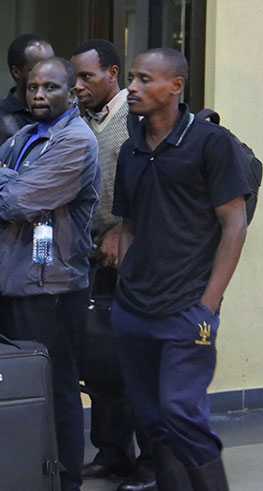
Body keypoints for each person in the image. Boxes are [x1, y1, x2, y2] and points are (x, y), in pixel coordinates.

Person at [111, 48, 248, 491]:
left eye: (144, 79)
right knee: (151, 419)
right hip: (133, 308)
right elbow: (129, 225)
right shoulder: (131, 148)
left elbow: (234, 225)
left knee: (181, 411)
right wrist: (124, 285)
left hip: (187, 310)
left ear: (176, 86)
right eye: (131, 78)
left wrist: (208, 306)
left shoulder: (211, 143)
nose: (132, 87)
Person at [0, 57, 100, 491]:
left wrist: (0, 183)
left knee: (57, 386)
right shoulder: (27, 134)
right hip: (8, 282)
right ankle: (28, 474)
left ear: (72, 92)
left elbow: (15, 204)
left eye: (51, 87)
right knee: (20, 387)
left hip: (51, 287)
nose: (39, 95)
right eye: (33, 87)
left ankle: (67, 480)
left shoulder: (75, 141)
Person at [71, 39, 156, 491]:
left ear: (113, 74)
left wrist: (124, 229)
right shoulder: (81, 121)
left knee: (140, 363)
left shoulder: (141, 121)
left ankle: (151, 464)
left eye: (87, 77)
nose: (77, 86)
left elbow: (154, 185)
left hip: (136, 259)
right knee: (101, 360)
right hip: (92, 259)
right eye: (76, 77)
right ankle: (111, 452)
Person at [0, 33, 54, 153]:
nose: (48, 74)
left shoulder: (61, 110)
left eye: (52, 67)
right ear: (16, 72)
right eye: (38, 69)